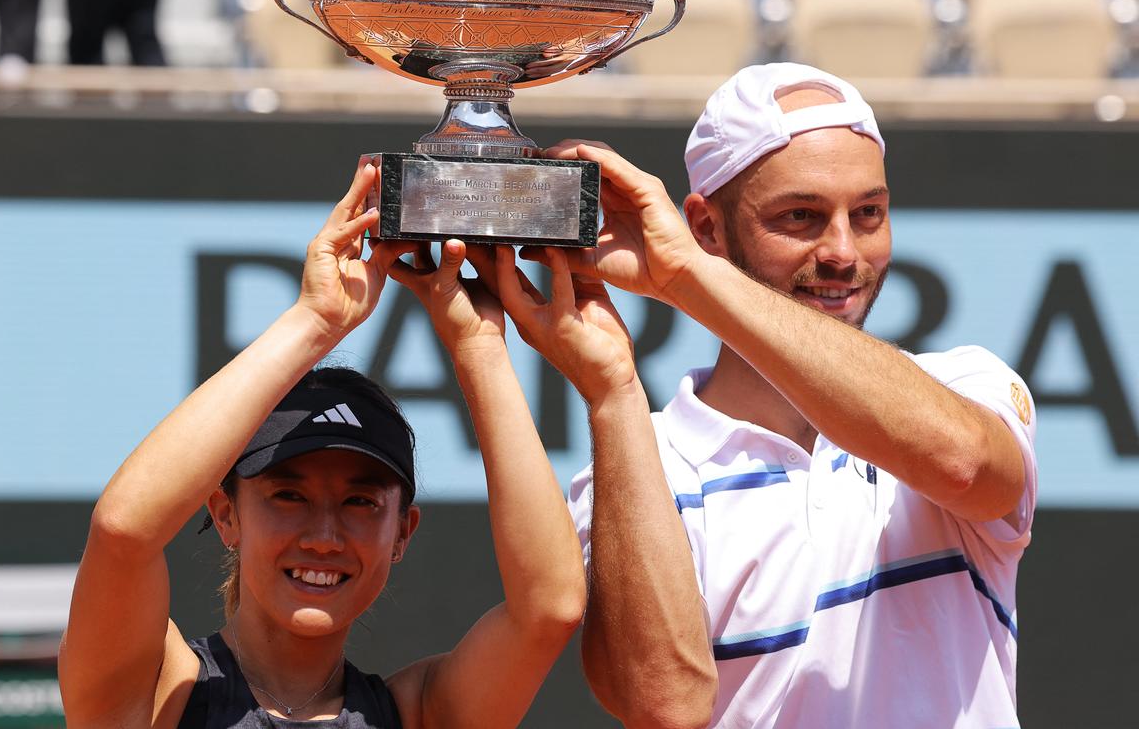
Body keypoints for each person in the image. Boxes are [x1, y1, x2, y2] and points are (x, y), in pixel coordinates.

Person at [506, 62, 1038, 728]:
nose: (845, 251)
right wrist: (614, 392)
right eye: (801, 216)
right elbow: (663, 703)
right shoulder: (635, 469)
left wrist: (685, 276)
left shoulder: (968, 383)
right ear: (706, 228)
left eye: (868, 212)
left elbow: (962, 461)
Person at [58, 163, 587, 728]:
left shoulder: (419, 715)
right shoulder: (160, 691)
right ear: (226, 514)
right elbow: (122, 532)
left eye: (361, 502)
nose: (325, 537)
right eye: (289, 495)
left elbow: (549, 609)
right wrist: (315, 322)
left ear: (401, 534)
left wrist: (480, 348)